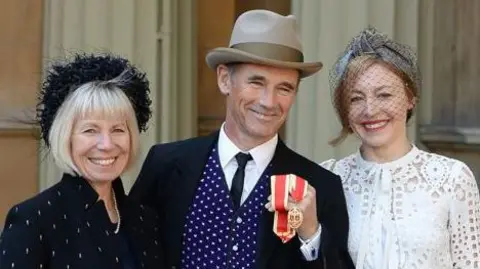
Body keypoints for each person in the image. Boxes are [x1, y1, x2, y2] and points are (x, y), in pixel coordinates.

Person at [129, 9, 354, 269]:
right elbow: (130, 251)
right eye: (256, 82)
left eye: (284, 88)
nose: (268, 102)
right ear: (225, 80)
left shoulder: (320, 186)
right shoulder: (165, 164)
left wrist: (311, 235)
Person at [320, 27, 480, 269]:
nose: (370, 110)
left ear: (410, 98)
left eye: (384, 95)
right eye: (356, 98)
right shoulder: (328, 179)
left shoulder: (452, 179)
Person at [0, 53, 164, 269]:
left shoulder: (145, 220)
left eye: (117, 130)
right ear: (66, 136)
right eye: (90, 130)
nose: (106, 144)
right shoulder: (34, 220)